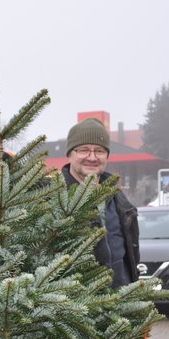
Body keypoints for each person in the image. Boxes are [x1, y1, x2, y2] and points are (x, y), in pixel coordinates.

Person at [60, 118, 140, 287]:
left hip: (121, 303)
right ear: (70, 154)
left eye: (99, 151)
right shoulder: (54, 197)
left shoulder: (119, 198)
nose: (92, 157)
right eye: (84, 150)